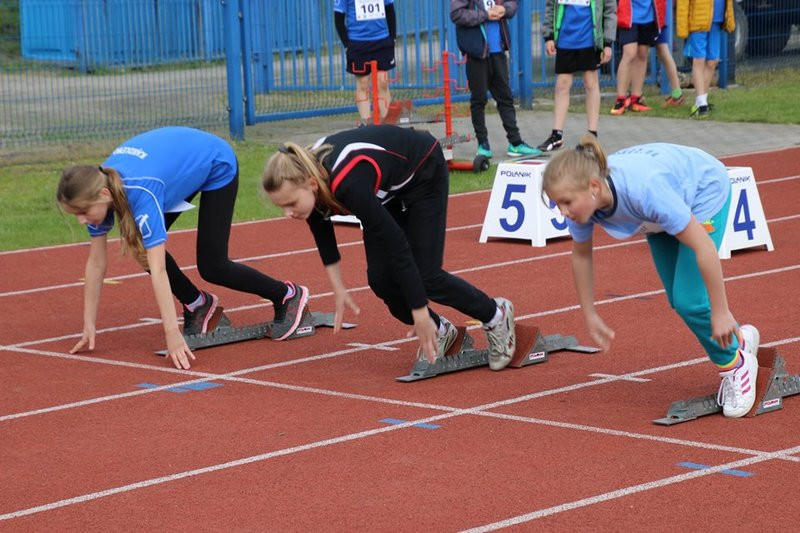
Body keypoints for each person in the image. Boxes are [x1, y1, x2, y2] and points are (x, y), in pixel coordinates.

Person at [262, 124, 517, 369]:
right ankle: (441, 332)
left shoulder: (348, 183)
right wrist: (338, 288)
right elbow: (321, 227)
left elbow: (398, 244)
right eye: (282, 207)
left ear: (312, 185)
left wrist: (418, 311)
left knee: (426, 276)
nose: (287, 213)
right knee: (381, 280)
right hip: (387, 189)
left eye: (291, 203)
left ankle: (495, 314)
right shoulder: (310, 176)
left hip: (422, 170)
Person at [541, 135, 760, 418]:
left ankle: (736, 364)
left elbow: (703, 246)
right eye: (557, 203)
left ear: (594, 187)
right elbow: (581, 255)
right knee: (677, 298)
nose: (562, 212)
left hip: (703, 191)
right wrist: (590, 313)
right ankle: (739, 341)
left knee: (690, 301)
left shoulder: (644, 190)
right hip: (659, 212)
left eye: (566, 202)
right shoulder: (586, 206)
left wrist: (720, 310)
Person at [57, 127, 310, 370]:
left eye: (82, 212)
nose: (81, 220)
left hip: (215, 163)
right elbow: (96, 263)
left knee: (213, 266)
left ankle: (287, 295)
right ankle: (198, 304)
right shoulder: (100, 193)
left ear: (103, 194)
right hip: (176, 167)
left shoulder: (140, 191)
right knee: (140, 247)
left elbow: (158, 269)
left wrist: (173, 334)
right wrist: (89, 325)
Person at [450, 0, 541, 159]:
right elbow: (457, 14)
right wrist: (485, 15)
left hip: (498, 51)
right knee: (479, 100)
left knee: (505, 98)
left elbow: (513, 4)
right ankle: (483, 144)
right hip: (476, 53)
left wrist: (504, 9)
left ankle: (515, 143)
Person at [537, 0, 617, 152]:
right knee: (562, 85)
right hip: (565, 37)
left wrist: (607, 43)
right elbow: (550, 7)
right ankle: (557, 135)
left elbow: (609, 10)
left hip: (590, 37)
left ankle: (592, 135)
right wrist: (548, 36)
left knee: (590, 82)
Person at [334, 0, 396, 125]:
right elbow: (338, 18)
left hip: (381, 40)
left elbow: (390, 9)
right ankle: (365, 124)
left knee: (382, 82)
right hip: (357, 42)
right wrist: (347, 45)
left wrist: (393, 37)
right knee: (363, 83)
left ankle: (388, 125)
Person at [677, 0, 736, 117]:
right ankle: (701, 102)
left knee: (713, 61)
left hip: (716, 20)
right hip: (698, 20)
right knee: (699, 59)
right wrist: (682, 26)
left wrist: (729, 16)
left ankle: (702, 100)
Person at [610, 0, 666, 115]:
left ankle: (636, 99)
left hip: (648, 15)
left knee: (642, 54)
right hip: (628, 14)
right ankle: (620, 99)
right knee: (629, 53)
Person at [655, 23, 686, 106]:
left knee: (663, 51)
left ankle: (677, 94)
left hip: (654, 20)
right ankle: (677, 94)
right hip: (657, 19)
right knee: (663, 51)